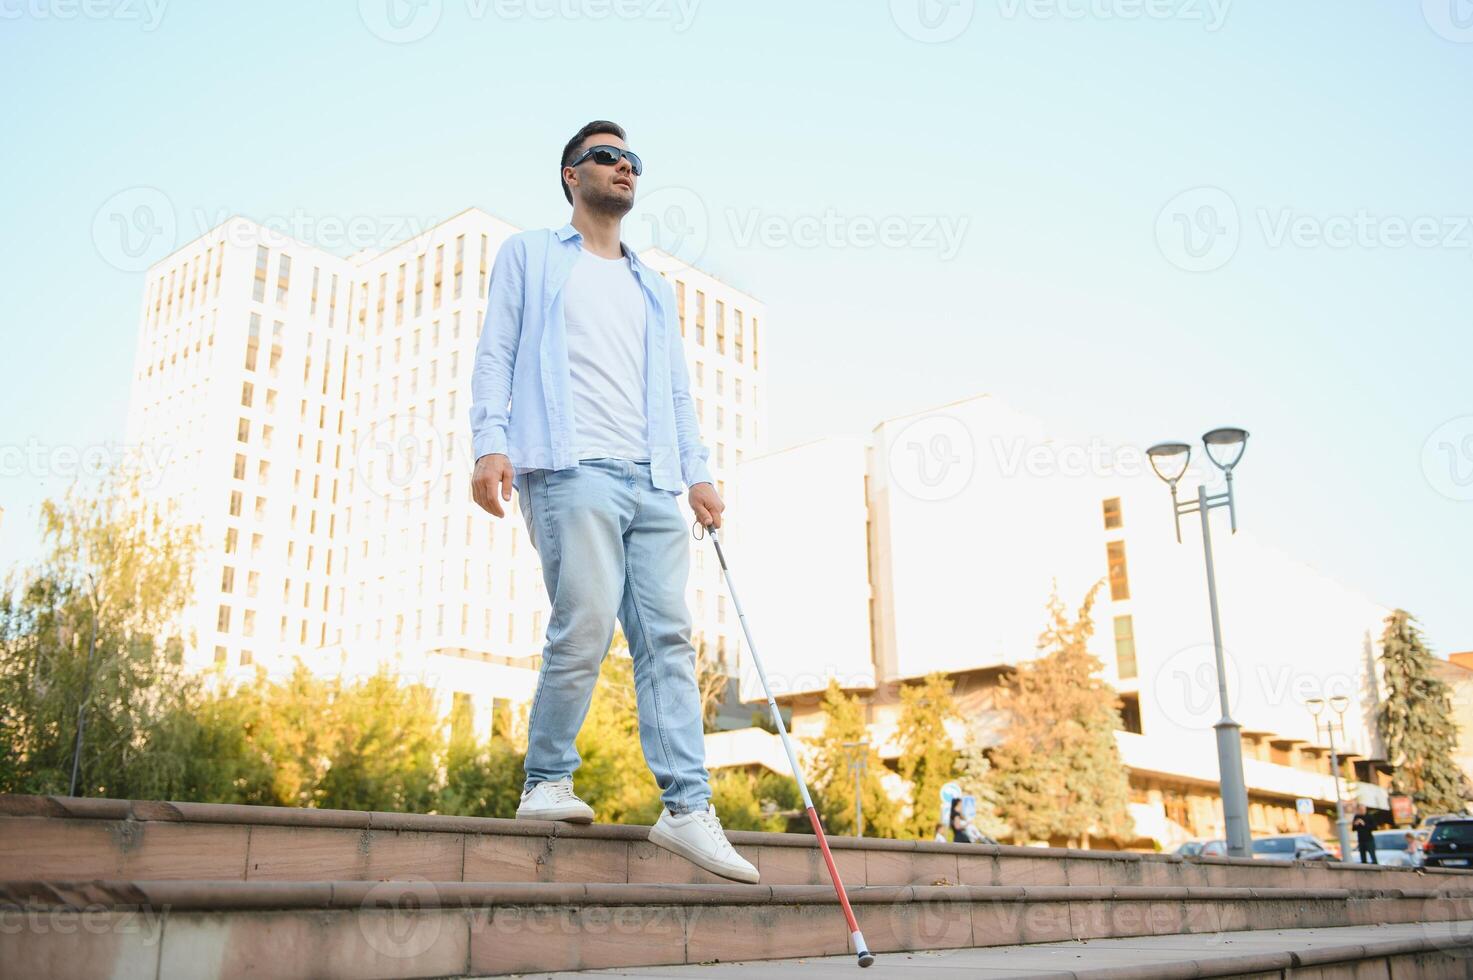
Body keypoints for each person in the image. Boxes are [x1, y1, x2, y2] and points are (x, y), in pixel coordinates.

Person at [469, 120, 756, 884]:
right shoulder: (530, 255)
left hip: (654, 479)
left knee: (668, 640)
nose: (622, 168)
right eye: (606, 157)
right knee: (587, 620)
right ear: (572, 175)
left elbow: (675, 390)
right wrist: (488, 444)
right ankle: (546, 781)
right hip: (569, 468)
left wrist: (696, 474)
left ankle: (687, 809)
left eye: (632, 160)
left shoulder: (650, 285)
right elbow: (495, 351)